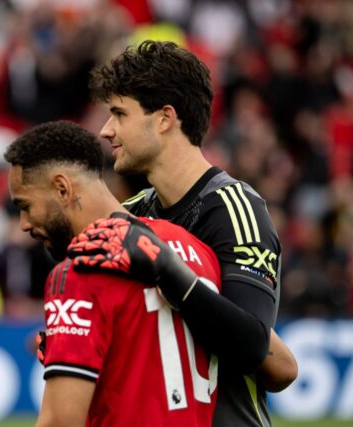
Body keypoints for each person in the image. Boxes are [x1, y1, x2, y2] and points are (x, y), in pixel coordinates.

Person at [69, 40, 297, 426]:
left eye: (120, 113)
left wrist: (170, 272)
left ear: (164, 118)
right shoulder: (130, 214)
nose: (106, 130)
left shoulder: (234, 208)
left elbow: (254, 346)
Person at [5, 121, 222, 427]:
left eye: (26, 206)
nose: (24, 223)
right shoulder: (195, 248)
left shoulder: (80, 269)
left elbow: (61, 421)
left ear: (63, 188)